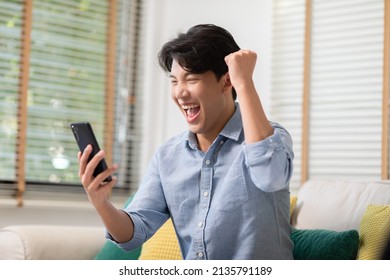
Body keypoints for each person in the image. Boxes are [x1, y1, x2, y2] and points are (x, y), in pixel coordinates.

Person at [78, 24, 294, 260]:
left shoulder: (269, 136)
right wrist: (101, 203)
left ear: (226, 82)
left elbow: (271, 177)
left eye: (191, 79)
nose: (180, 93)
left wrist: (244, 83)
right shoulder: (168, 156)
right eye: (174, 81)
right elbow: (134, 233)